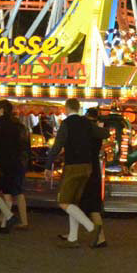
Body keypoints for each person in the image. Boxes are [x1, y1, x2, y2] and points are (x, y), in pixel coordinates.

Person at [47, 97, 97, 247]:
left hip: (72, 167)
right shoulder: (87, 123)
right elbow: (104, 133)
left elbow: (57, 146)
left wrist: (48, 165)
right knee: (72, 202)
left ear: (66, 108)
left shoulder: (67, 123)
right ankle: (72, 238)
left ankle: (91, 227)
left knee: (63, 202)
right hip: (87, 166)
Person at [0, 99, 25, 234]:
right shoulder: (16, 126)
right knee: (8, 195)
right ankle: (4, 225)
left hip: (1, 164)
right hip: (14, 163)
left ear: (2, 110)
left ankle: (9, 216)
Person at [79, 108, 109, 248]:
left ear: (86, 115)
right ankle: (100, 237)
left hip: (84, 167)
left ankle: (95, 233)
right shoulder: (99, 130)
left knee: (75, 202)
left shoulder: (84, 129)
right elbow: (105, 134)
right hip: (94, 167)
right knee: (93, 205)